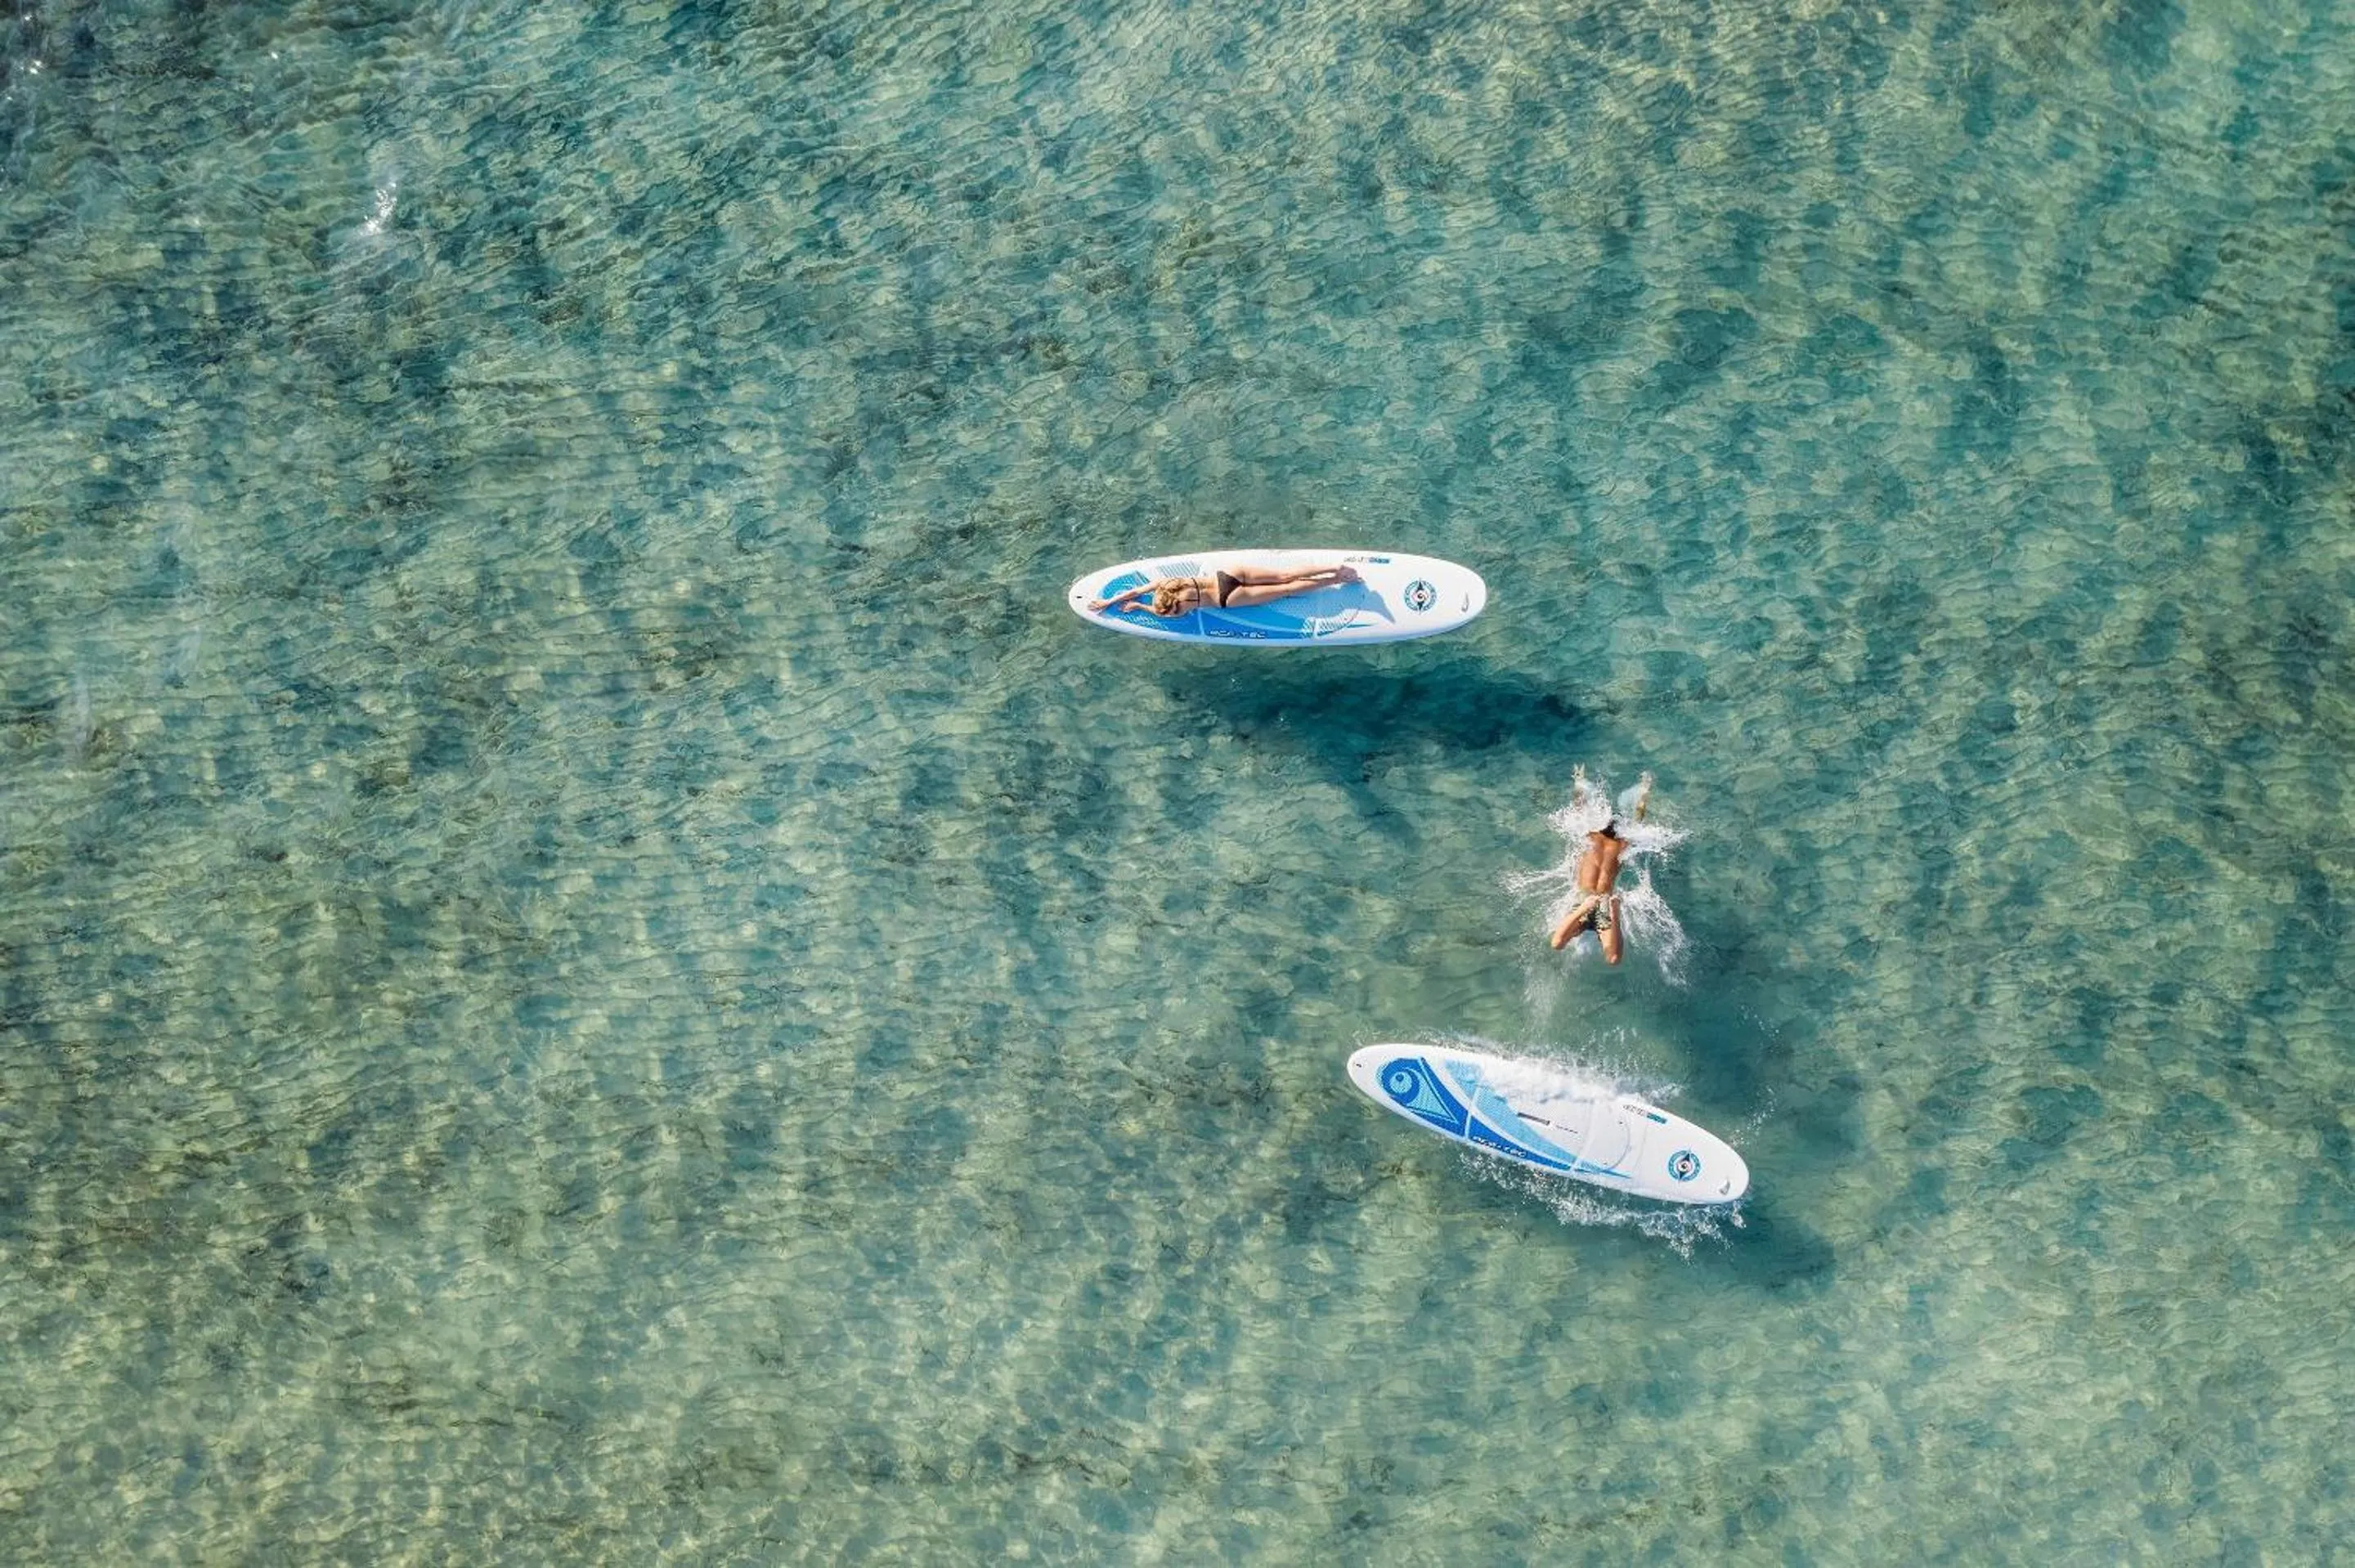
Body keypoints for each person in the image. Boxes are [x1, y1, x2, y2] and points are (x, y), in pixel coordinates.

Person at [1549, 769, 1653, 965]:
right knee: (1613, 959)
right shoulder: (1623, 844)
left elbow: (1579, 809)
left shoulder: (1588, 836)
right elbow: (1638, 818)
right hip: (1603, 902)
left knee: (1557, 943)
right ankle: (1614, 913)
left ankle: (1596, 911)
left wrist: (1578, 782)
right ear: (1619, 828)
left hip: (1585, 901)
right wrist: (1645, 791)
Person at [1089, 560, 1361, 617]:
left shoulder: (1174, 609)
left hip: (1227, 598)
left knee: (1287, 589)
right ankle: (1334, 567)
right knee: (1284, 575)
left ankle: (1336, 580)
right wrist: (1109, 600)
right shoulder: (1168, 584)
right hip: (1226, 574)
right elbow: (1136, 590)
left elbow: (1141, 601)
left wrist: (1138, 607)